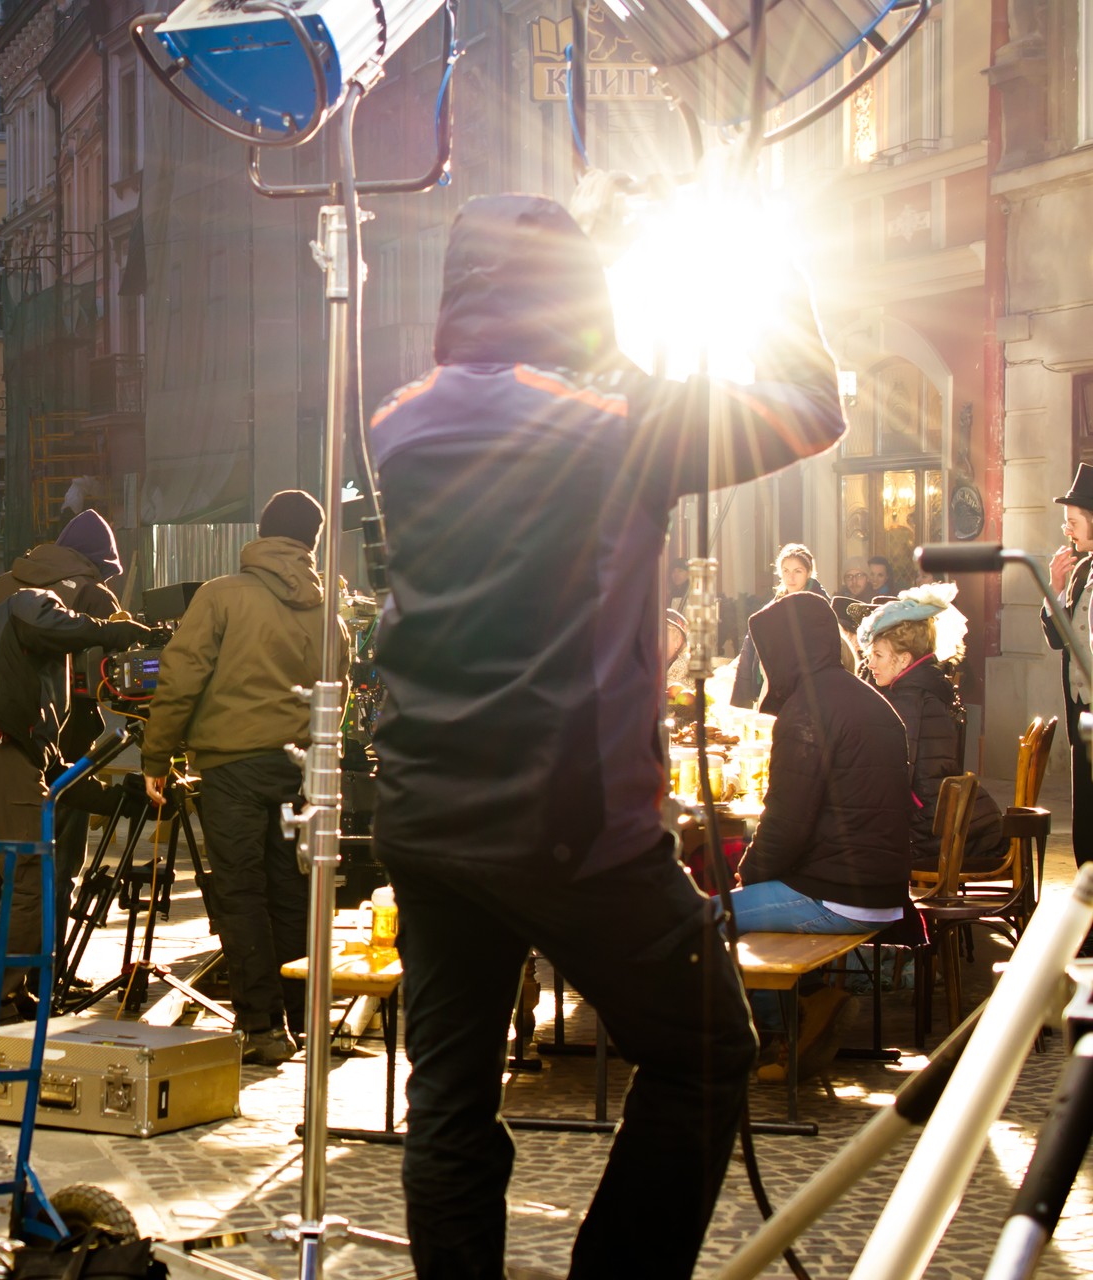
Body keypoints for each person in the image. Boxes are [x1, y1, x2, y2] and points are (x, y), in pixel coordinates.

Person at [366, 193, 846, 1278]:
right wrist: (770, 253)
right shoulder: (616, 422)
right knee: (711, 1046)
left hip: (426, 813)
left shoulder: (398, 418)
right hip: (567, 816)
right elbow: (813, 406)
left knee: (448, 1092)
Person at [139, 490, 348, 1066]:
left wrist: (157, 756)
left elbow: (180, 678)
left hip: (231, 764)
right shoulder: (328, 613)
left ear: (262, 531)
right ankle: (304, 1020)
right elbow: (338, 702)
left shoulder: (221, 595)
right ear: (313, 541)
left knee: (241, 893)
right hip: (300, 770)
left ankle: (262, 1029)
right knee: (293, 893)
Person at [0, 576, 154, 1033]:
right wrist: (113, 630)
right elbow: (54, 624)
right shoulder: (33, 600)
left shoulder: (22, 668)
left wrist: (120, 801)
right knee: (33, 877)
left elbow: (51, 777)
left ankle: (8, 998)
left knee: (0, 879)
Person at [730, 592, 912, 1056]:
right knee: (747, 912)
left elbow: (786, 822)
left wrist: (747, 875)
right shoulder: (866, 699)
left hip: (840, 895)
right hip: (883, 890)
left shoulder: (807, 710)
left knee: (704, 920)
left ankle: (783, 1028)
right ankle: (791, 1018)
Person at [0, 509, 126, 933]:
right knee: (60, 860)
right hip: (65, 739)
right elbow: (114, 678)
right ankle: (52, 973)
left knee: (3, 865)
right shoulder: (95, 595)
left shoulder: (3, 584)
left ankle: (3, 969)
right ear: (98, 561)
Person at [860, 588, 1004, 872]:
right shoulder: (923, 687)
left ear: (903, 659)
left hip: (927, 834)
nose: (870, 663)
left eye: (877, 654)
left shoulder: (908, 697)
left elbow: (897, 773)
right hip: (943, 821)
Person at [1043, 463, 1093, 870]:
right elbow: (1059, 638)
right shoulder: (1080, 571)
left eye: (1073, 522)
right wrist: (1055, 591)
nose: (1068, 531)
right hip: (1082, 710)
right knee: (1086, 813)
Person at [730, 543, 823, 710]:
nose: (791, 577)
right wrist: (741, 700)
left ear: (809, 573)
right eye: (786, 571)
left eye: (798, 571)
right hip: (771, 684)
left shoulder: (820, 607)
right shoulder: (771, 608)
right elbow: (749, 651)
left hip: (806, 690)